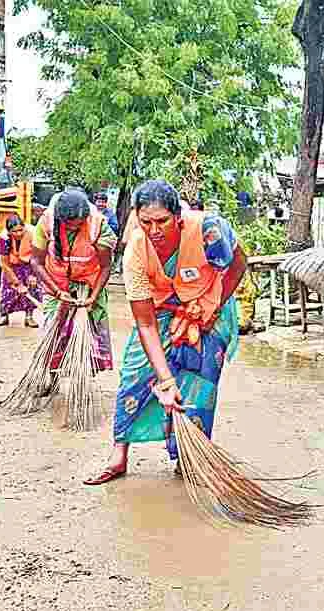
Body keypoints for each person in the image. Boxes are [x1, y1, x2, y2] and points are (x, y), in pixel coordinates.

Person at [88, 180, 246, 486]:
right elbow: (145, 323)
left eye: (162, 221)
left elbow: (239, 265)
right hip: (161, 311)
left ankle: (189, 455)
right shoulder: (136, 250)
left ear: (178, 218)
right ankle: (119, 453)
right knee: (134, 373)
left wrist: (211, 309)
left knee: (200, 380)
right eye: (146, 222)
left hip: (208, 304)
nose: (155, 230)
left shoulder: (209, 230)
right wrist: (166, 380)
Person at [30, 189, 117, 374]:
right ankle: (49, 374)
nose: (75, 229)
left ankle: (83, 371)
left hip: (89, 282)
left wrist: (93, 296)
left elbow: (106, 266)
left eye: (79, 225)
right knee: (53, 331)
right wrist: (57, 292)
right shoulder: (46, 221)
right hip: (57, 282)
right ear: (60, 219)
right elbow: (36, 262)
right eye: (70, 226)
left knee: (91, 333)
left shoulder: (98, 225)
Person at [0, 216, 42, 328]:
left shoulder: (33, 234)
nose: (18, 233)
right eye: (14, 231)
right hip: (11, 266)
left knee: (31, 290)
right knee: (8, 292)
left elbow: (38, 256)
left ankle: (29, 317)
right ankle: (4, 316)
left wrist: (33, 274)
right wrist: (16, 283)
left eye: (21, 230)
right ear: (9, 231)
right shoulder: (4, 238)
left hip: (29, 265)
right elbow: (4, 263)